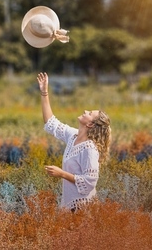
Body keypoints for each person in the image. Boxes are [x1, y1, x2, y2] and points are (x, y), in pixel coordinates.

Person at [37, 72, 111, 211]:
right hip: (70, 205)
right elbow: (51, 123)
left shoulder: (89, 149)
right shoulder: (73, 136)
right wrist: (44, 92)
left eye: (89, 114)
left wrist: (61, 174)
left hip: (82, 208)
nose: (85, 110)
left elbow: (90, 181)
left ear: (90, 125)